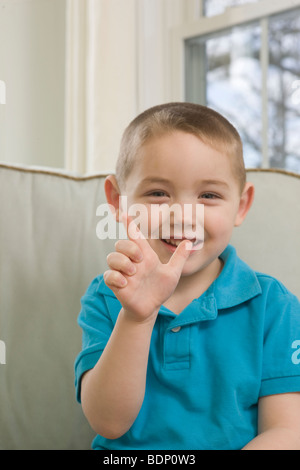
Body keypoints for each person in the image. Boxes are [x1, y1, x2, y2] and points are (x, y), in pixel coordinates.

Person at [74, 102, 300, 450]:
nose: (182, 215)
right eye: (158, 194)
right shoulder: (108, 295)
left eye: (208, 195)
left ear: (240, 206)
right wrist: (137, 317)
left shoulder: (274, 306)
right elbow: (108, 422)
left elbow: (287, 432)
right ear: (118, 202)